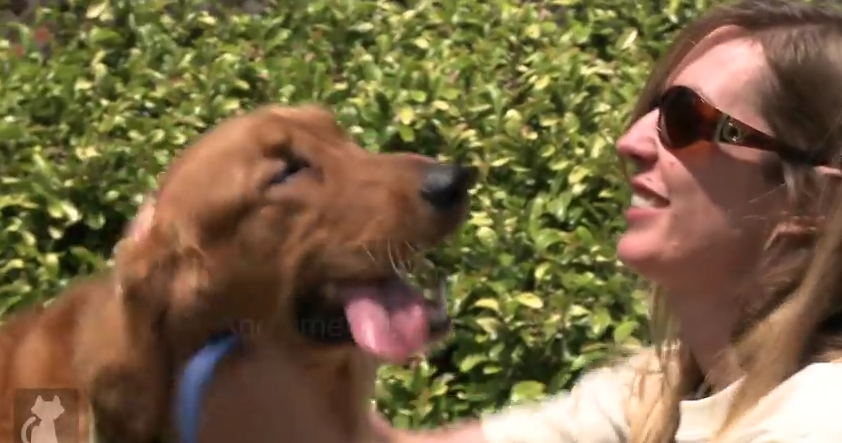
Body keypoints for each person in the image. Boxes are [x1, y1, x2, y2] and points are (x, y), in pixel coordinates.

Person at [371, 0, 842, 442]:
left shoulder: (816, 417)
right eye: (652, 109)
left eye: (685, 119)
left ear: (812, 204)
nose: (630, 142)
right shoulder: (666, 389)